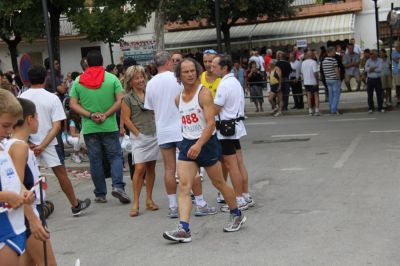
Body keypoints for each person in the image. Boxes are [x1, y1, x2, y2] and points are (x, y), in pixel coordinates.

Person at [163, 58, 246, 243]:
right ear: (179, 75)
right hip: (187, 144)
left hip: (206, 144)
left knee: (219, 183)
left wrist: (199, 144)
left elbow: (210, 124)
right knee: (184, 186)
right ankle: (183, 229)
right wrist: (190, 143)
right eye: (186, 72)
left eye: (193, 70)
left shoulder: (204, 94)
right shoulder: (178, 99)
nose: (190, 74)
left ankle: (236, 213)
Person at [145, 51, 214, 218]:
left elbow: (151, 109)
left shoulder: (151, 83)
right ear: (169, 62)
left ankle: (173, 206)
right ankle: (200, 202)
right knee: (193, 168)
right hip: (182, 129)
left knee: (169, 169)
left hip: (163, 130)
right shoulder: (177, 79)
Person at [20, 65, 91, 216]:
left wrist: (29, 144)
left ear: (28, 80)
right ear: (45, 79)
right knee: (61, 174)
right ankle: (75, 205)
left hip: (27, 144)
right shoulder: (52, 98)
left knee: (29, 175)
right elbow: (57, 126)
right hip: (50, 143)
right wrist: (43, 145)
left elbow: (18, 124)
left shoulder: (21, 99)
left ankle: (31, 209)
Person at [69, 50, 131, 204]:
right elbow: (120, 100)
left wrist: (90, 115)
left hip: (90, 127)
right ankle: (118, 186)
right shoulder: (112, 79)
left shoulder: (78, 81)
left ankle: (100, 194)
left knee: (95, 160)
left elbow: (73, 104)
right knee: (115, 156)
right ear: (102, 62)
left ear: (87, 63)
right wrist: (106, 114)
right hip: (109, 125)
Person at [5, 98, 57, 266]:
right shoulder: (19, 147)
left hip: (23, 214)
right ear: (29, 119)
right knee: (47, 263)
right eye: (37, 116)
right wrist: (33, 221)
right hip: (26, 214)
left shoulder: (11, 144)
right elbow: (16, 187)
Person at [212, 54, 254, 211]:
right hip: (235, 126)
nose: (211, 68)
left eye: (215, 66)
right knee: (239, 161)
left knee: (231, 165)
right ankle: (245, 194)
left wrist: (204, 108)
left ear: (224, 68)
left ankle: (238, 199)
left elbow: (216, 108)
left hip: (226, 128)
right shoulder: (234, 81)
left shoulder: (224, 84)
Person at [0, 89, 34, 266]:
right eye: (5, 126)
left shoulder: (2, 147)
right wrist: (6, 197)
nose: (9, 131)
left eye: (12, 126)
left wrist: (24, 192)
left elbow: (12, 181)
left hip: (15, 226)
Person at [121, 65, 160, 217]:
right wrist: (138, 134)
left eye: (142, 77)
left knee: (151, 167)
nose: (140, 80)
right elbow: (126, 119)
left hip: (153, 134)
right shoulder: (127, 98)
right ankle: (136, 203)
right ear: (130, 81)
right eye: (136, 78)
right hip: (139, 137)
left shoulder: (150, 94)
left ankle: (149, 200)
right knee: (139, 169)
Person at [322, 47, 341, 115]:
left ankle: (331, 108)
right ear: (329, 52)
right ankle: (333, 109)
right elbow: (336, 71)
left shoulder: (324, 61)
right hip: (334, 80)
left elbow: (324, 71)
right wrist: (339, 79)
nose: (335, 53)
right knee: (336, 95)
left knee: (331, 95)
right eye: (333, 51)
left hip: (328, 80)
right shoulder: (333, 60)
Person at [301, 50, 320, 116]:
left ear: (306, 55)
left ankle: (310, 111)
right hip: (313, 82)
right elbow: (315, 73)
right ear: (311, 55)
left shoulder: (303, 63)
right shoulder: (314, 62)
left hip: (306, 82)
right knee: (316, 96)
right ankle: (317, 111)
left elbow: (302, 73)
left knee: (308, 97)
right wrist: (317, 81)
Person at [393, 41, 400, 106]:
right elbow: (396, 61)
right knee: (398, 86)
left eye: (397, 47)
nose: (396, 48)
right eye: (395, 47)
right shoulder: (394, 53)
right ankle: (398, 99)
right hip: (397, 71)